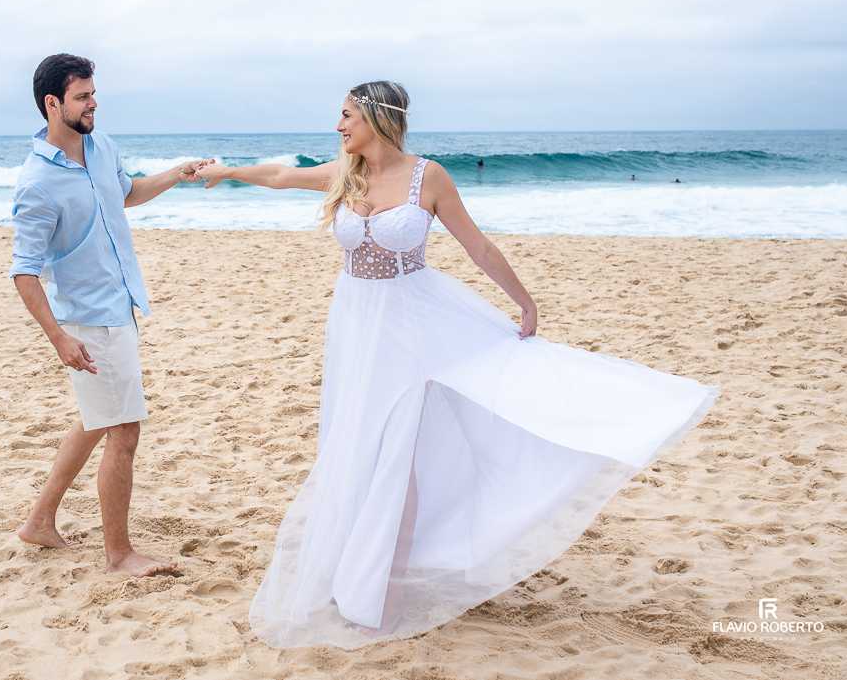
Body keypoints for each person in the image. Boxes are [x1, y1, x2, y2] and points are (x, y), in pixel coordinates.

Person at [194, 81, 718, 648]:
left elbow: (478, 247)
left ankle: (378, 596)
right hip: (355, 325)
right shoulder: (346, 171)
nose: (339, 126)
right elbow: (277, 175)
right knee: (357, 448)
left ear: (375, 117)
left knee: (397, 454)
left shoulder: (429, 177)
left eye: (346, 116)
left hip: (416, 325)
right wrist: (226, 173)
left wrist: (524, 300)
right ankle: (354, 577)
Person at [10, 53, 211, 576]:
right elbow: (24, 271)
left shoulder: (102, 149)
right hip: (86, 320)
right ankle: (119, 555)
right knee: (124, 431)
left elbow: (125, 194)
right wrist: (58, 338)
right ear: (53, 104)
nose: (94, 102)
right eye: (82, 96)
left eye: (94, 92)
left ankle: (39, 520)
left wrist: (175, 174)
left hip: (119, 306)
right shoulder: (36, 182)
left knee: (96, 420)